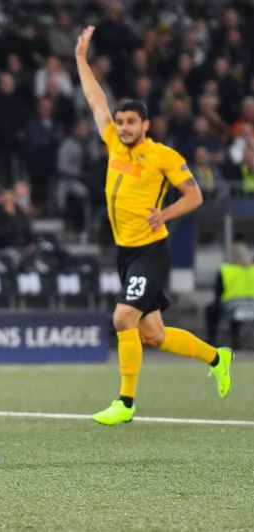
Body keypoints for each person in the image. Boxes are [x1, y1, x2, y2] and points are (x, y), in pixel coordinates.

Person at [75, 26, 233, 426]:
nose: (123, 127)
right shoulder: (113, 142)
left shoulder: (163, 156)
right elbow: (96, 100)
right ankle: (218, 357)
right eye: (120, 121)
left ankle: (125, 403)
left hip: (151, 251)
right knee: (153, 336)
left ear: (145, 125)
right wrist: (80, 58)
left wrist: (165, 214)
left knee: (122, 319)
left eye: (131, 122)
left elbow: (195, 196)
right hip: (126, 252)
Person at [206, 242, 254, 348]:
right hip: (251, 309)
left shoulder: (225, 270)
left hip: (232, 307)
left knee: (212, 310)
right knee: (236, 313)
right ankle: (236, 338)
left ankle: (212, 339)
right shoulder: (252, 270)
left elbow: (218, 293)